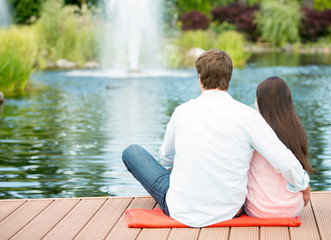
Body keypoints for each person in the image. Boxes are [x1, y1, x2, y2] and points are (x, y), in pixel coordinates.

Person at [122, 49, 310, 228]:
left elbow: (166, 159)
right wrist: (303, 185)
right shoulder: (247, 116)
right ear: (228, 78)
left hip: (180, 210)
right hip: (229, 211)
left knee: (132, 152)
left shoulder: (182, 112)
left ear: (200, 79)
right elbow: (283, 160)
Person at [245, 76, 313, 218]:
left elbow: (286, 164)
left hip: (258, 209)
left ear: (261, 102)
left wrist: (304, 187)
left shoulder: (257, 131)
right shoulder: (296, 130)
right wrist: (304, 186)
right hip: (292, 209)